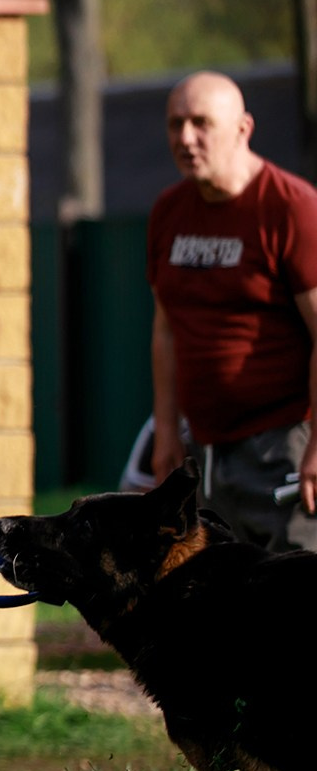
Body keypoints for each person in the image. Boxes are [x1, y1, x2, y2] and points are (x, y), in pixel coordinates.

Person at [146, 71, 317, 550]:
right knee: (221, 607)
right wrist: (165, 432)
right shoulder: (168, 211)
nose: (185, 138)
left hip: (285, 443)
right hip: (203, 447)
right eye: (175, 124)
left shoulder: (291, 209)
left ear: (243, 128)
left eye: (201, 123)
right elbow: (166, 331)